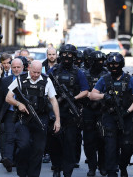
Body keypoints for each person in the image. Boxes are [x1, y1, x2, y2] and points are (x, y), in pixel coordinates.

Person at [90, 52, 133, 177]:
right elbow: (92, 95)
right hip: (109, 117)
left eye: (116, 64)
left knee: (127, 146)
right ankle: (111, 172)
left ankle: (123, 166)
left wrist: (128, 111)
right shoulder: (105, 79)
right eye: (111, 64)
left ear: (121, 64)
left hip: (126, 117)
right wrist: (104, 96)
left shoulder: (129, 79)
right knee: (110, 147)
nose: (114, 66)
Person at [6, 60, 61, 177]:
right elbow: (8, 97)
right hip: (23, 119)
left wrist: (57, 120)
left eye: (38, 72)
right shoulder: (20, 79)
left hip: (40, 118)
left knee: (38, 150)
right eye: (34, 72)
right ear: (29, 68)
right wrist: (18, 104)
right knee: (24, 146)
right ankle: (22, 171)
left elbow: (54, 101)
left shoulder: (46, 81)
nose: (36, 75)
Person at [47, 44, 89, 177]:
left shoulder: (79, 72)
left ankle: (67, 171)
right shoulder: (53, 71)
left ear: (74, 56)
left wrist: (73, 98)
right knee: (55, 142)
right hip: (55, 112)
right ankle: (57, 168)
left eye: (70, 55)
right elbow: (45, 88)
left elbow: (86, 91)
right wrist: (55, 99)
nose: (66, 57)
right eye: (64, 54)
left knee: (70, 144)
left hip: (71, 112)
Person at [0, 58, 24, 172]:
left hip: (24, 114)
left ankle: (19, 160)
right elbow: (0, 99)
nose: (16, 69)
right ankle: (8, 160)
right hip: (9, 113)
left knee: (21, 138)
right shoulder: (5, 81)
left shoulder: (28, 79)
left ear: (22, 68)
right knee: (9, 137)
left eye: (18, 67)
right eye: (14, 67)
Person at [82, 51, 109, 176]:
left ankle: (102, 165)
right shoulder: (84, 73)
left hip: (102, 110)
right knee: (89, 140)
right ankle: (91, 167)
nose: (100, 63)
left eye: (102, 61)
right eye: (97, 61)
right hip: (88, 110)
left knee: (102, 139)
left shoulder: (106, 74)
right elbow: (81, 90)